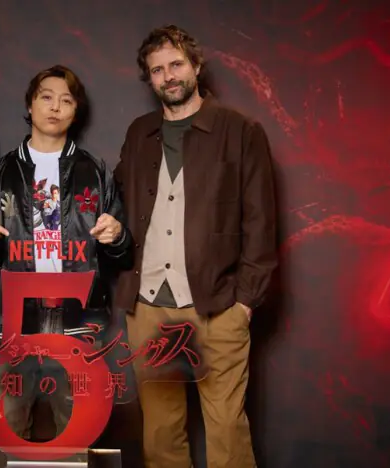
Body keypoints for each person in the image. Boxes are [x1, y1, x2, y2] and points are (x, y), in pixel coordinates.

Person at [113, 25, 278, 468]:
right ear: (149, 78)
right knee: (160, 432)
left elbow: (261, 223)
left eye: (176, 64)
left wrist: (245, 302)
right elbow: (117, 202)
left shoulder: (240, 130)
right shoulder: (139, 132)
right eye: (157, 70)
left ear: (196, 65)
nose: (168, 76)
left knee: (226, 432)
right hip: (148, 306)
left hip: (218, 305)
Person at [0, 65, 133, 439]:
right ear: (30, 104)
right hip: (13, 321)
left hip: (76, 321)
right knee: (8, 435)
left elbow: (122, 256)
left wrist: (118, 235)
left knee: (77, 436)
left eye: (66, 100)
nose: (55, 107)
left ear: (76, 110)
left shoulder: (95, 172)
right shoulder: (1, 172)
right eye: (46, 97)